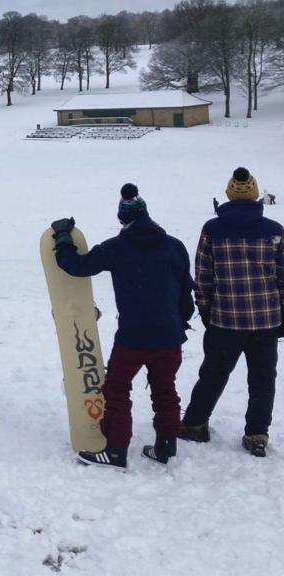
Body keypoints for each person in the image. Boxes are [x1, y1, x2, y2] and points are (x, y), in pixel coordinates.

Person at [51, 183, 195, 470]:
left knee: (117, 389)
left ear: (122, 219)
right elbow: (185, 297)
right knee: (165, 388)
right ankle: (166, 445)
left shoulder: (116, 248)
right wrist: (178, 324)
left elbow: (76, 266)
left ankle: (116, 450)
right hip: (169, 337)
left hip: (134, 337)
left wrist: (63, 237)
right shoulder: (174, 246)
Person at [181, 168, 283, 458]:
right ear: (255, 195)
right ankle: (257, 434)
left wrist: (205, 309)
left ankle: (195, 424)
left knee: (213, 373)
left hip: (225, 319)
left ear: (228, 194)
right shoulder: (274, 231)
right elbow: (283, 276)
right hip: (266, 319)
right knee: (263, 378)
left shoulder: (213, 230)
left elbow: (203, 276)